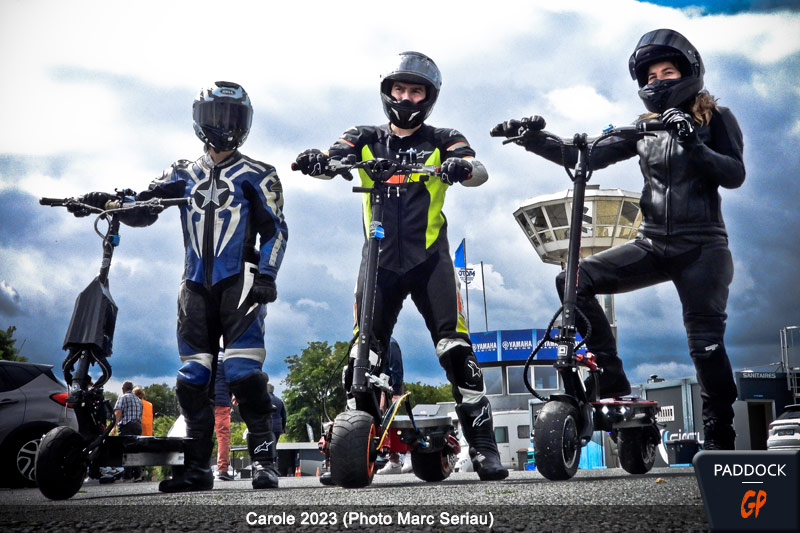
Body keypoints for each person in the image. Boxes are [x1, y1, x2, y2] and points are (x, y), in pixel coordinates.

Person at [492, 29, 744, 450]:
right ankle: (613, 381)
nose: (659, 80)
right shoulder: (642, 129)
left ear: (689, 72)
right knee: (573, 280)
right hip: (652, 244)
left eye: (668, 71)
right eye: (651, 75)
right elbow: (583, 157)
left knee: (705, 346)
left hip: (702, 247)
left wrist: (690, 140)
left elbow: (734, 175)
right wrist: (532, 140)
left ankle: (720, 425)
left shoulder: (715, 118)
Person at [294, 52, 507, 480]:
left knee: (457, 353)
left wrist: (460, 166)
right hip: (379, 264)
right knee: (361, 357)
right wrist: (317, 161)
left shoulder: (444, 136)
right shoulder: (364, 135)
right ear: (387, 92)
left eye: (416, 91)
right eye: (399, 89)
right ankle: (355, 451)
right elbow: (332, 159)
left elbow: (479, 170)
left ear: (428, 97)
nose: (406, 97)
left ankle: (484, 448)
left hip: (431, 262)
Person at [77, 81, 289, 490]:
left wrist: (267, 275)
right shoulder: (181, 172)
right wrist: (110, 201)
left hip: (241, 285)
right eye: (216, 116)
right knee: (191, 379)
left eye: (232, 117)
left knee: (245, 375)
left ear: (245, 123)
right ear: (198, 120)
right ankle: (196, 470)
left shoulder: (260, 174)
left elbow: (276, 230)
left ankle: (265, 463)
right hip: (192, 286)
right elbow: (144, 207)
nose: (224, 125)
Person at [376, 337, 408, 475]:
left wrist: (395, 391)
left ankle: (406, 455)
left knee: (393, 423)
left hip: (389, 388)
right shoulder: (372, 343)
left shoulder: (390, 342)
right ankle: (393, 459)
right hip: (378, 387)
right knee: (382, 425)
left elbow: (396, 366)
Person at [114, 380, 143, 480]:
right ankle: (138, 474)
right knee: (135, 449)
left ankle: (127, 475)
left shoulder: (123, 397)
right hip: (138, 426)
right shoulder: (138, 400)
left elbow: (118, 412)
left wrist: (113, 427)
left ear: (123, 389)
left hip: (127, 426)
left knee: (125, 450)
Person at [214, 358, 234, 481]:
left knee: (201, 435)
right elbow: (233, 379)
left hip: (204, 401)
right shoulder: (227, 359)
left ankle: (198, 468)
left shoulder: (207, 355)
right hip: (222, 401)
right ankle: (222, 469)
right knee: (223, 437)